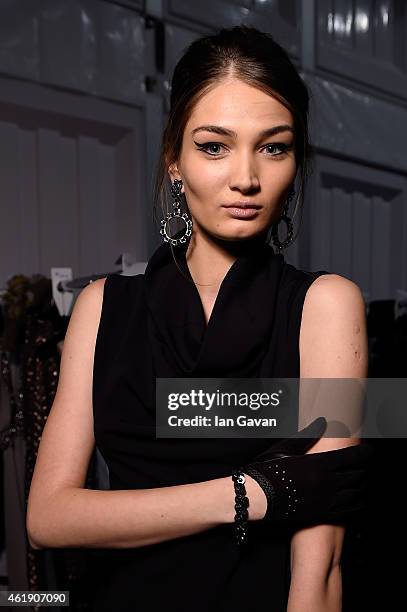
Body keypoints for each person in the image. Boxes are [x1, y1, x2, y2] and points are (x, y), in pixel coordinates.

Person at [26, 25, 371, 611]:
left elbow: (320, 571)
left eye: (274, 146)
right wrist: (247, 494)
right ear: (175, 161)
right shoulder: (101, 307)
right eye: (214, 146)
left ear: (296, 162)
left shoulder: (328, 306)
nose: (246, 178)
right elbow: (48, 517)